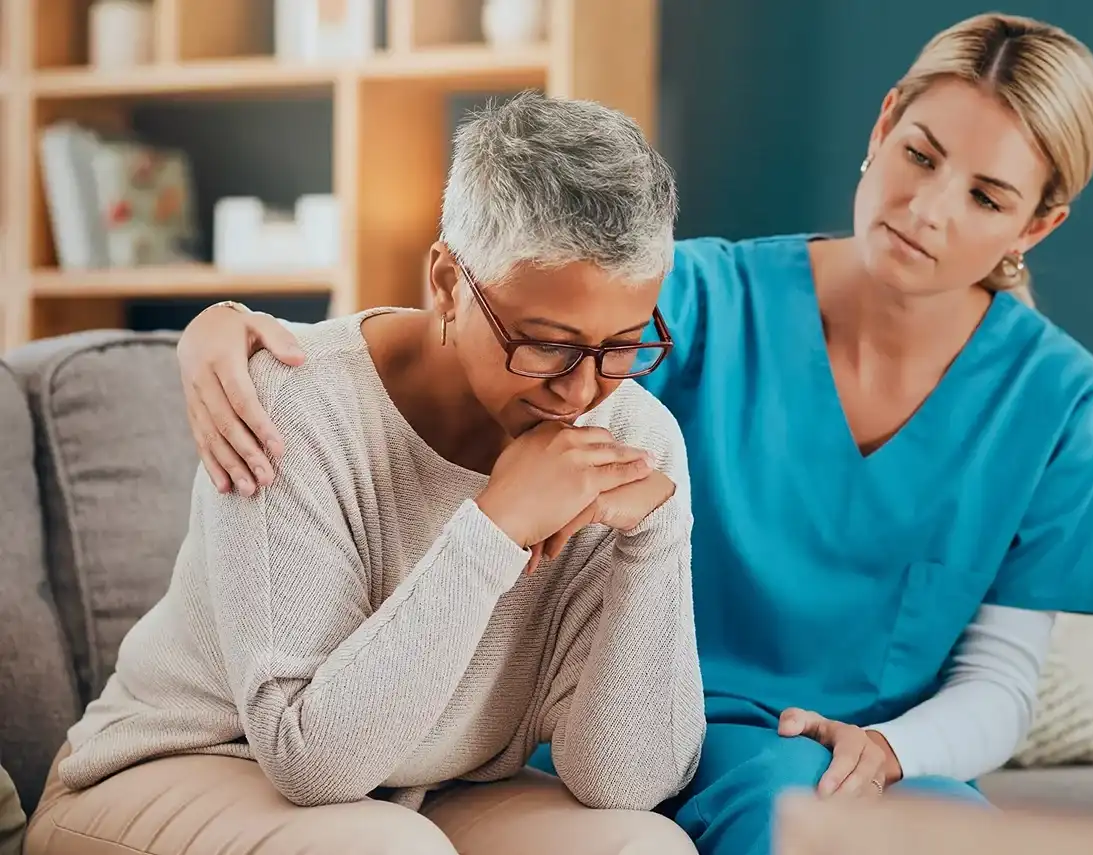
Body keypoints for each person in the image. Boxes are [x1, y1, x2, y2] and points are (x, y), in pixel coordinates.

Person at [170, 12, 1093, 855]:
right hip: (670, 726)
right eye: (920, 153)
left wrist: (896, 749)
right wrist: (231, 328)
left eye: (987, 196)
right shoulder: (698, 296)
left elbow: (1002, 676)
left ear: (1041, 223)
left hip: (887, 756)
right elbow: (492, 317)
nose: (930, 207)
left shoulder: (1058, 396)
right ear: (882, 125)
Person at [23, 92, 706, 855]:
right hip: (183, 766)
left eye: (621, 345)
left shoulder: (633, 436)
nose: (582, 391)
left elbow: (626, 780)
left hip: (426, 793)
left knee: (642, 846)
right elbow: (308, 758)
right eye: (546, 344)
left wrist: (655, 538)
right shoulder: (295, 400)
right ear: (447, 283)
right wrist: (494, 528)